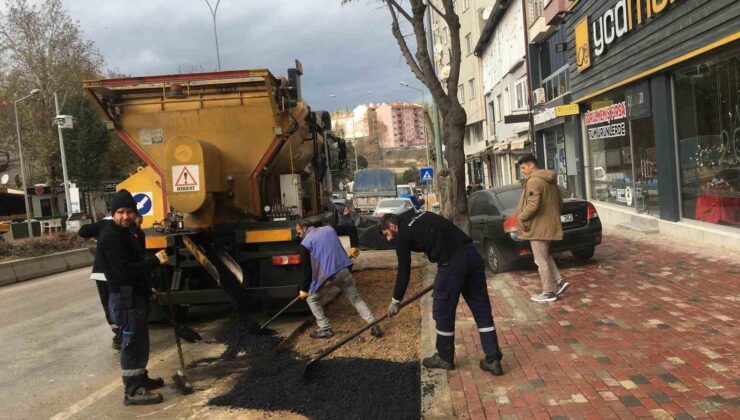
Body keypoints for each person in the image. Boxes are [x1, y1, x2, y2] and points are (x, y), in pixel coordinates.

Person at [380, 212, 504, 375]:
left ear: (392, 226)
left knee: (442, 311)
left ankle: (444, 357)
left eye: (387, 234)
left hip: (451, 263)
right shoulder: (423, 214)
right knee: (482, 309)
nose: (389, 239)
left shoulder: (402, 234)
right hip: (472, 255)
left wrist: (395, 300)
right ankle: (493, 359)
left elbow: (404, 272)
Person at [98, 190, 169, 406]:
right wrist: (154, 262)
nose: (125, 216)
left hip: (135, 296)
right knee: (131, 344)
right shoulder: (111, 237)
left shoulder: (128, 233)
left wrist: (148, 289)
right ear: (113, 214)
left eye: (129, 211)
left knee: (140, 342)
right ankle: (133, 391)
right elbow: (124, 271)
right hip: (124, 300)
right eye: (120, 212)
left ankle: (141, 378)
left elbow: (135, 271)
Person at [296, 221, 382, 339]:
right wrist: (354, 246)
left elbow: (307, 270)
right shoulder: (329, 229)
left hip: (327, 278)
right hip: (343, 271)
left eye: (299, 233)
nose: (299, 236)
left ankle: (325, 328)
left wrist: (304, 289)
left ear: (305, 228)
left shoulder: (305, 244)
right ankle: (374, 324)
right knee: (356, 299)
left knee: (311, 298)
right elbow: (351, 228)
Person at [516, 154, 569, 303]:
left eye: (524, 168)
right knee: (545, 256)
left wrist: (520, 217)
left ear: (532, 165)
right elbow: (559, 202)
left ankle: (548, 292)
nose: (523, 171)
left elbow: (533, 205)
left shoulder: (534, 181)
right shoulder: (550, 180)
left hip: (538, 227)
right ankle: (558, 282)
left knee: (540, 260)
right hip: (549, 225)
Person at [78, 216, 119, 350]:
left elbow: (83, 231)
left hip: (103, 273)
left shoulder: (105, 224)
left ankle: (119, 333)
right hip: (111, 274)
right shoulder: (116, 225)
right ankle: (121, 333)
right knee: (116, 304)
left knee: (110, 305)